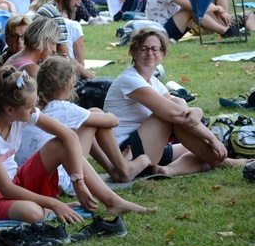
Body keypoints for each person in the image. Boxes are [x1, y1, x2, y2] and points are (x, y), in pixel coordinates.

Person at [0, 66, 156, 223]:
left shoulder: (21, 114)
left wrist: (78, 181)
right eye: (30, 107)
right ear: (10, 109)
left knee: (60, 145)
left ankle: (113, 201)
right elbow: (5, 190)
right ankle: (44, 209)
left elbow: (68, 137)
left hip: (17, 180)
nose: (35, 110)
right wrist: (53, 204)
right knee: (33, 214)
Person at [104, 27, 251, 177]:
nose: (150, 53)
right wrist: (211, 138)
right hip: (126, 151)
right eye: (144, 49)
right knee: (170, 115)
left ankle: (167, 170)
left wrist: (197, 111)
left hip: (150, 145)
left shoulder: (152, 81)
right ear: (133, 53)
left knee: (199, 150)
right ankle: (224, 162)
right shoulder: (130, 79)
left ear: (162, 54)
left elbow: (178, 103)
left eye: (155, 49)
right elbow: (176, 114)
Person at [16, 56, 151, 192]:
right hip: (65, 179)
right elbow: (113, 121)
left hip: (30, 174)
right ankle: (124, 169)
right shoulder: (63, 107)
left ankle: (114, 169)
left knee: (89, 118)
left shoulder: (34, 105)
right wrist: (107, 114)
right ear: (68, 85)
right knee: (93, 117)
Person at [35, 0, 96, 79]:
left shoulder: (50, 8)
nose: (78, 4)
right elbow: (65, 56)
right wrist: (93, 79)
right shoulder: (54, 15)